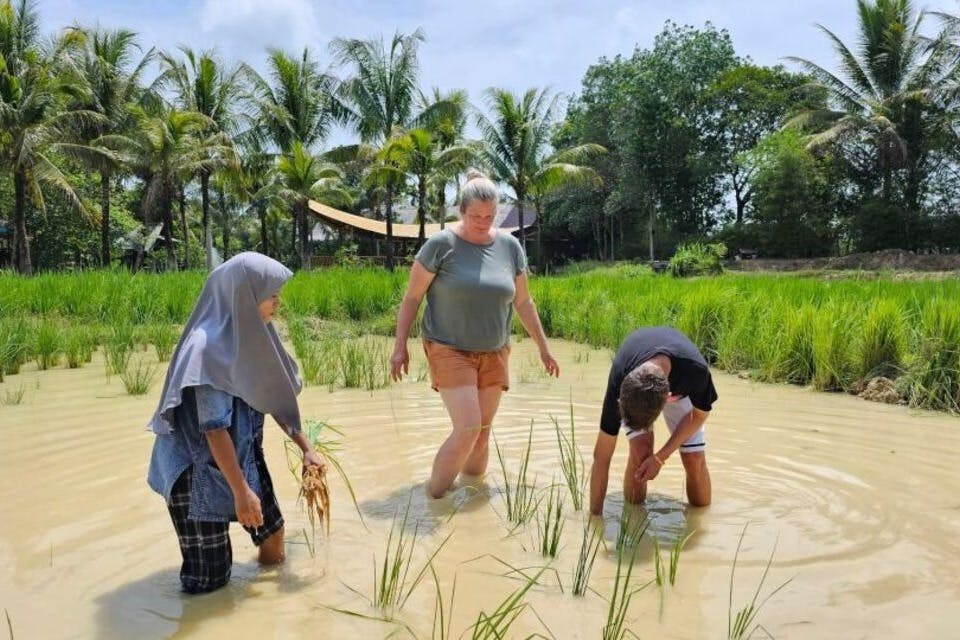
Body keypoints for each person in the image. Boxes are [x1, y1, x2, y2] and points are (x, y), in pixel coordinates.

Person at [146, 252, 324, 594]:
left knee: (272, 535)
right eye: (271, 293)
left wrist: (307, 448)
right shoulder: (206, 349)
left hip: (240, 453)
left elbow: (274, 395)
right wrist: (241, 493)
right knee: (210, 580)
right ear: (245, 295)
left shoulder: (255, 334)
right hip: (195, 472)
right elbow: (213, 429)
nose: (278, 300)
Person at [390, 170, 559, 499]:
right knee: (467, 427)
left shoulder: (509, 247)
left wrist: (544, 348)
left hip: (495, 350)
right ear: (461, 212)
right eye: (475, 215)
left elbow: (524, 302)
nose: (482, 222)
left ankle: (471, 499)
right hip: (449, 347)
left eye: (489, 216)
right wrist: (400, 347)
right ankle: (434, 500)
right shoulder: (441, 245)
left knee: (481, 433)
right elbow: (412, 298)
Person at [589, 326, 716, 516]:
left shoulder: (696, 372)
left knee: (694, 459)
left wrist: (660, 458)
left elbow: (698, 416)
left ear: (668, 398)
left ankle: (702, 519)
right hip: (639, 381)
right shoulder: (621, 379)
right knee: (641, 451)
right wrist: (595, 517)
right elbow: (602, 456)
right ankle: (633, 518)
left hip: (682, 388)